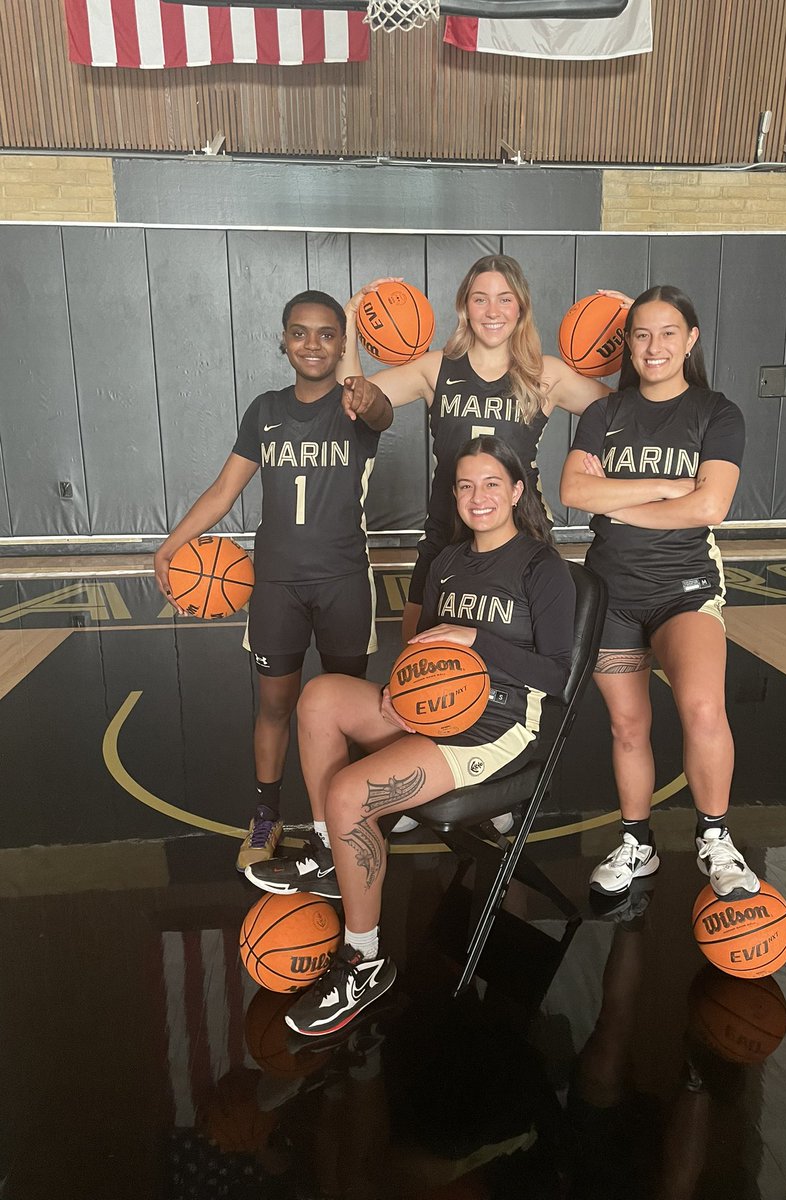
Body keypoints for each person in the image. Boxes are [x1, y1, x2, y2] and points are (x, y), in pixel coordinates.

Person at [245, 436, 576, 1036]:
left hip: (497, 727)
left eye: (492, 484)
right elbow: (421, 651)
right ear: (454, 495)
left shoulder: (541, 567)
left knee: (351, 793)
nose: (478, 497)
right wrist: (401, 694)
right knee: (319, 697)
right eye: (466, 486)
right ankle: (326, 851)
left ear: (518, 491)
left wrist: (479, 643)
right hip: (438, 711)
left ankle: (364, 958)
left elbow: (556, 675)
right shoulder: (447, 561)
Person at [340, 256, 627, 834]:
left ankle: (497, 786)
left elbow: (624, 411)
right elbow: (359, 397)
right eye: (479, 298)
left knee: (511, 668)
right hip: (445, 543)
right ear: (463, 307)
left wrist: (621, 329)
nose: (492, 310)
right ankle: (414, 774)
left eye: (504, 298)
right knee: (423, 657)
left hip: (518, 545)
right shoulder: (434, 370)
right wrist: (351, 324)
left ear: (520, 306)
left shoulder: (544, 374)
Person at [153, 290, 393, 872]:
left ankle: (350, 809)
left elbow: (382, 409)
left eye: (328, 334)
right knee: (275, 706)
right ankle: (267, 813)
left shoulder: (358, 406)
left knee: (347, 707)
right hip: (278, 586)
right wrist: (172, 543)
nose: (313, 344)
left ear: (342, 344)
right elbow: (223, 489)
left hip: (343, 583)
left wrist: (366, 385)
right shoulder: (264, 410)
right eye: (300, 332)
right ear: (282, 341)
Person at [559, 284, 759, 902]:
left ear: (691, 339)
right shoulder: (604, 414)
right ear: (629, 344)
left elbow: (712, 505)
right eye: (642, 334)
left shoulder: (717, 412)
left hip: (684, 587)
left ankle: (716, 837)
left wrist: (620, 500)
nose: (654, 346)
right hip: (611, 595)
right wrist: (669, 488)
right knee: (627, 726)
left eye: (668, 333)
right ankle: (636, 841)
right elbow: (573, 493)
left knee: (702, 709)